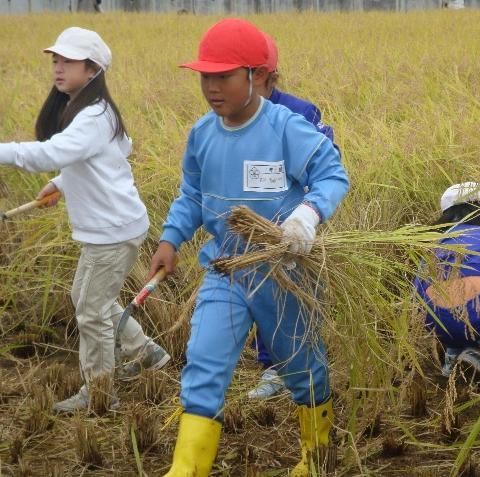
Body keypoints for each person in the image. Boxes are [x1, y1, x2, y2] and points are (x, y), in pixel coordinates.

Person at [147, 19, 349, 476]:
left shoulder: (285, 128)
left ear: (255, 76)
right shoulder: (202, 134)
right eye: (206, 76)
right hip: (226, 269)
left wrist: (306, 217)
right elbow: (193, 195)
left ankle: (315, 458)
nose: (212, 87)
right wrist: (170, 238)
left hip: (282, 273)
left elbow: (332, 174)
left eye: (224, 76)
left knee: (302, 369)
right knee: (204, 364)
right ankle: (186, 470)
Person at [0, 27, 170, 412]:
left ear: (92, 69)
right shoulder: (90, 112)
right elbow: (104, 158)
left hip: (111, 233)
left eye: (68, 61)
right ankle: (144, 352)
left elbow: (47, 154)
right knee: (89, 297)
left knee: (91, 312)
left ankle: (99, 395)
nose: (58, 68)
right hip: (113, 228)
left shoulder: (92, 115)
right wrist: (61, 183)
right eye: (56, 60)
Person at [248, 31, 340, 400]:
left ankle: (302, 369)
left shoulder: (299, 112)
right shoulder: (229, 116)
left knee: (297, 297)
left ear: (270, 76)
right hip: (253, 225)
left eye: (254, 74)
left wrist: (306, 214)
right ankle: (272, 368)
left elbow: (326, 164)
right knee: (261, 295)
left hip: (294, 224)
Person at [414, 183, 480, 378]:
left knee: (452, 303)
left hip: (433, 321)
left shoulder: (435, 240)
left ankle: (453, 352)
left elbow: (418, 288)